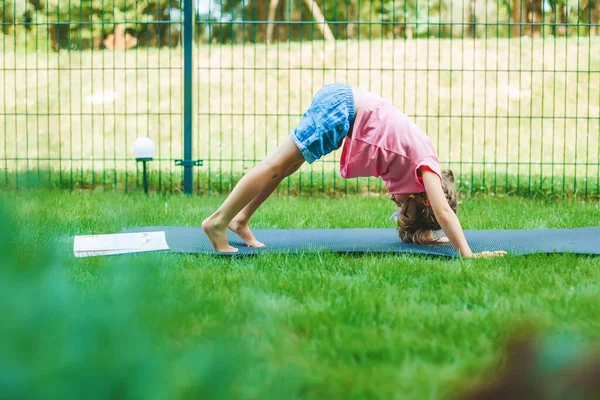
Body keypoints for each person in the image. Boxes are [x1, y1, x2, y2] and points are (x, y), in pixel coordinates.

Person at [202, 83, 506, 258]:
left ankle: (240, 219)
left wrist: (427, 234)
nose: (395, 204)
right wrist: (467, 254)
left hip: (342, 105)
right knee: (275, 165)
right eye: (404, 207)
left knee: (286, 167)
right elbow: (443, 212)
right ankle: (218, 221)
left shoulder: (419, 168)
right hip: (341, 109)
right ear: (424, 197)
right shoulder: (427, 169)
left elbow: (430, 219)